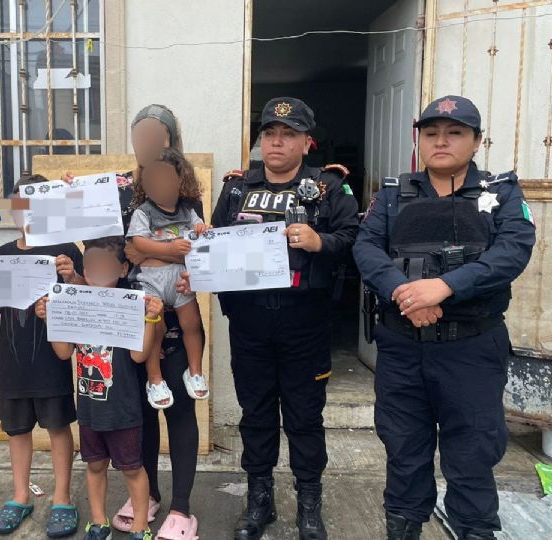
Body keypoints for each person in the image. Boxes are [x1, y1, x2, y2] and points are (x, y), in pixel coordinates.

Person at [353, 95, 536, 540]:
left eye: (454, 133)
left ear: (476, 141)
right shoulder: (393, 194)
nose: (441, 141)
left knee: (473, 452)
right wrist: (407, 294)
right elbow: (366, 248)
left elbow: (512, 252)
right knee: (403, 448)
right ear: (419, 140)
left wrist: (445, 286)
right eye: (431, 133)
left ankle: (474, 529)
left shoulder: (501, 193)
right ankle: (403, 527)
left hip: (471, 347)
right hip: (403, 347)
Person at [180, 97, 359, 540]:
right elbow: (217, 245)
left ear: (306, 141)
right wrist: (200, 257)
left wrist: (321, 242)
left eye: (288, 134)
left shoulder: (329, 187)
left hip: (305, 324)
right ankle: (259, 498)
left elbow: (357, 242)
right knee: (256, 413)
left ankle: (309, 503)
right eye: (270, 134)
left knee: (304, 417)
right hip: (250, 324)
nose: (277, 142)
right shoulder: (237, 188)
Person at [68, 104, 201, 538]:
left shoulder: (183, 191)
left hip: (170, 316)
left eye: (152, 134)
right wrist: (70, 197)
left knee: (178, 408)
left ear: (169, 139)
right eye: (137, 134)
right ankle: (151, 495)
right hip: (121, 322)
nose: (143, 142)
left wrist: (146, 253)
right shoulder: (118, 187)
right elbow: (107, 247)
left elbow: (190, 251)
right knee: (138, 413)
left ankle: (182, 507)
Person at [0, 174, 83, 538]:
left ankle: (62, 497)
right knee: (17, 431)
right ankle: (21, 496)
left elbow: (85, 297)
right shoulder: (3, 253)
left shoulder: (65, 250)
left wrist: (73, 277)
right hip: (13, 363)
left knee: (58, 428)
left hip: (52, 362)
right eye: (20, 205)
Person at [35, 236, 163, 540]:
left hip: (124, 410)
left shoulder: (130, 306)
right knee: (94, 466)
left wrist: (151, 318)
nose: (98, 270)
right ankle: (98, 522)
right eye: (91, 265)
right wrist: (51, 318)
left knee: (132, 469)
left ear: (122, 269)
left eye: (106, 265)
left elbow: (139, 356)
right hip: (90, 410)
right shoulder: (77, 305)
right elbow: (63, 352)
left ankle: (140, 525)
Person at [126, 147, 210, 409]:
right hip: (150, 281)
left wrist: (202, 228)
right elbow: (138, 243)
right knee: (155, 328)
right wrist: (170, 249)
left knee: (192, 324)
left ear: (180, 181)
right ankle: (155, 379)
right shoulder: (144, 212)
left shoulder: (188, 210)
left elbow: (200, 234)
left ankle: (195, 371)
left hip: (180, 281)